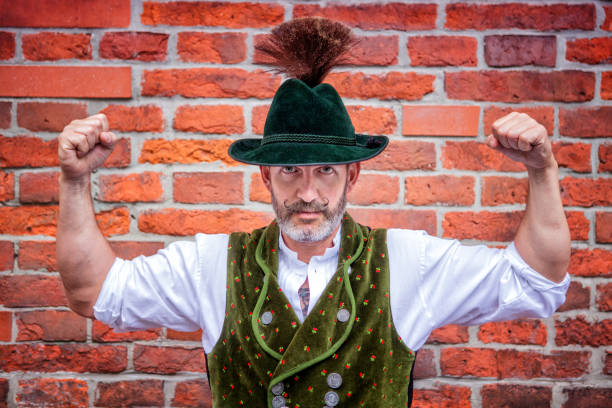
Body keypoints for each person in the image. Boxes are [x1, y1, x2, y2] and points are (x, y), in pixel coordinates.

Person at [57, 18, 570, 408]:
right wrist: (75, 181)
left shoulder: (408, 261)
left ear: (352, 176)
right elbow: (93, 292)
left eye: (325, 170)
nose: (307, 192)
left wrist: (543, 172)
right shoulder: (209, 264)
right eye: (289, 171)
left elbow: (536, 281)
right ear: (265, 177)